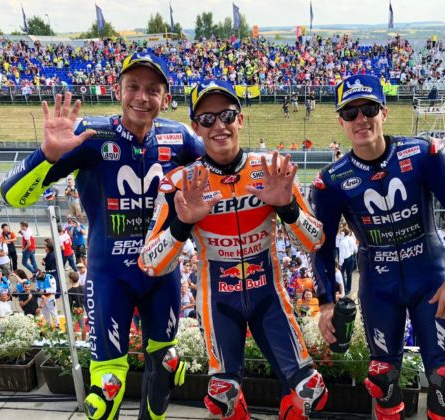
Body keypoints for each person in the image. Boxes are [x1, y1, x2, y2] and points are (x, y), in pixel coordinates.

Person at [0, 52, 204, 420]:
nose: (142, 97)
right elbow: (12, 195)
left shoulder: (181, 137)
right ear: (117, 90)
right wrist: (47, 154)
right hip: (110, 276)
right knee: (106, 387)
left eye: (152, 90)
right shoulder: (90, 136)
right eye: (133, 87)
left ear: (165, 97)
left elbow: (223, 174)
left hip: (164, 274)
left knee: (168, 364)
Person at [139, 79, 328, 420]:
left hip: (269, 296)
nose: (219, 126)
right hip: (218, 302)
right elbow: (150, 263)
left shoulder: (271, 169)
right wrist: (182, 225)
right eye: (207, 119)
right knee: (222, 397)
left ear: (240, 119)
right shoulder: (181, 182)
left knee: (310, 391)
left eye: (226, 115)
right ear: (196, 127)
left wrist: (287, 208)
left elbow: (314, 241)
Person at [311, 75, 445, 420]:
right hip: (379, 286)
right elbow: (321, 245)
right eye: (351, 113)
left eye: (369, 109)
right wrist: (326, 303)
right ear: (341, 122)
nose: (361, 119)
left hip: (431, 281)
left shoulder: (425, 153)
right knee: (381, 378)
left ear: (384, 113)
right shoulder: (330, 181)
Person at [67, 271, 87, 341]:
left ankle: (74, 341)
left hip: (73, 310)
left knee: (71, 326)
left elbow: (69, 304)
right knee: (82, 326)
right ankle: (83, 341)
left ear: (71, 279)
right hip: (81, 309)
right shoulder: (83, 288)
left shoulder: (70, 291)